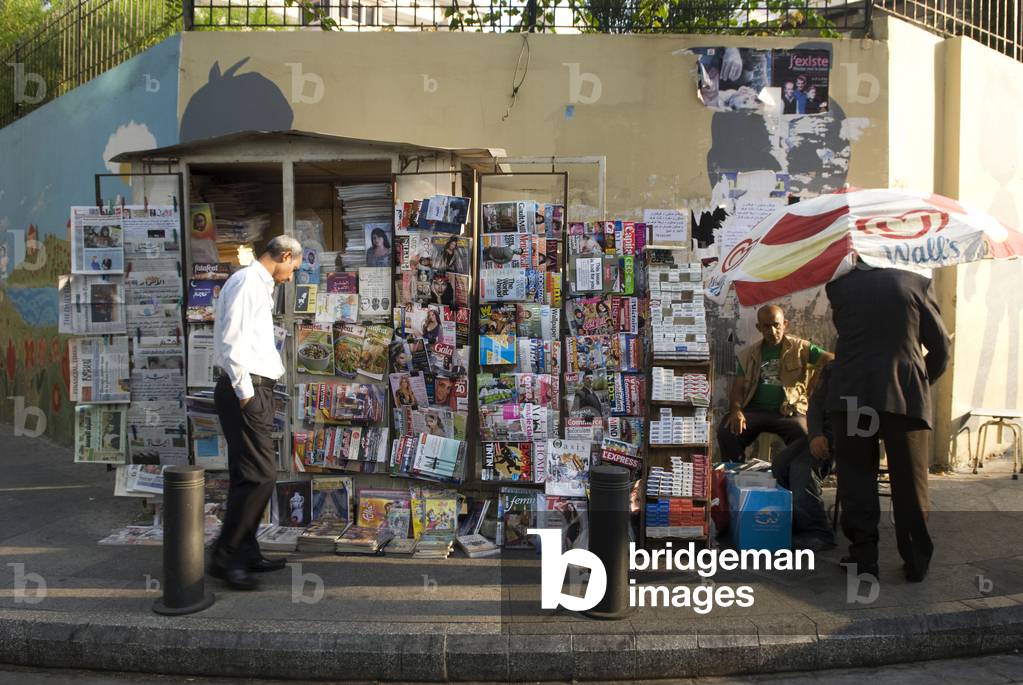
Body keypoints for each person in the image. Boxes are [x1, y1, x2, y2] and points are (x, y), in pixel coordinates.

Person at [825, 264, 950, 582]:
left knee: (857, 479)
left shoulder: (839, 287)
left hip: (852, 393)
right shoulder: (917, 284)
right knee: (909, 483)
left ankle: (864, 559)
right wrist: (921, 382)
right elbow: (940, 347)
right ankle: (916, 560)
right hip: (903, 394)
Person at [210, 235, 302, 590]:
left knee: (246, 476)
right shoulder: (249, 283)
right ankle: (226, 556)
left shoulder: (256, 284)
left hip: (250, 389)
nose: (290, 277)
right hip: (244, 390)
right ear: (284, 255)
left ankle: (245, 553)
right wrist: (247, 394)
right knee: (261, 476)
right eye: (292, 268)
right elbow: (232, 341)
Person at [717, 305, 833, 462]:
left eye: (776, 325)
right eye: (766, 326)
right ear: (759, 327)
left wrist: (815, 378)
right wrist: (736, 410)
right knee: (727, 430)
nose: (772, 331)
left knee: (806, 435)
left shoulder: (800, 348)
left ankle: (793, 477)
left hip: (789, 412)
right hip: (755, 411)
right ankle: (736, 474)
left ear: (784, 324)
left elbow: (830, 358)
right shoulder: (748, 355)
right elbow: (737, 388)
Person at [771, 360, 836, 551]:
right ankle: (797, 523)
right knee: (781, 463)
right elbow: (816, 403)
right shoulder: (832, 368)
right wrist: (816, 434)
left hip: (851, 439)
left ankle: (818, 532)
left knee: (802, 468)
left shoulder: (871, 366)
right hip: (822, 434)